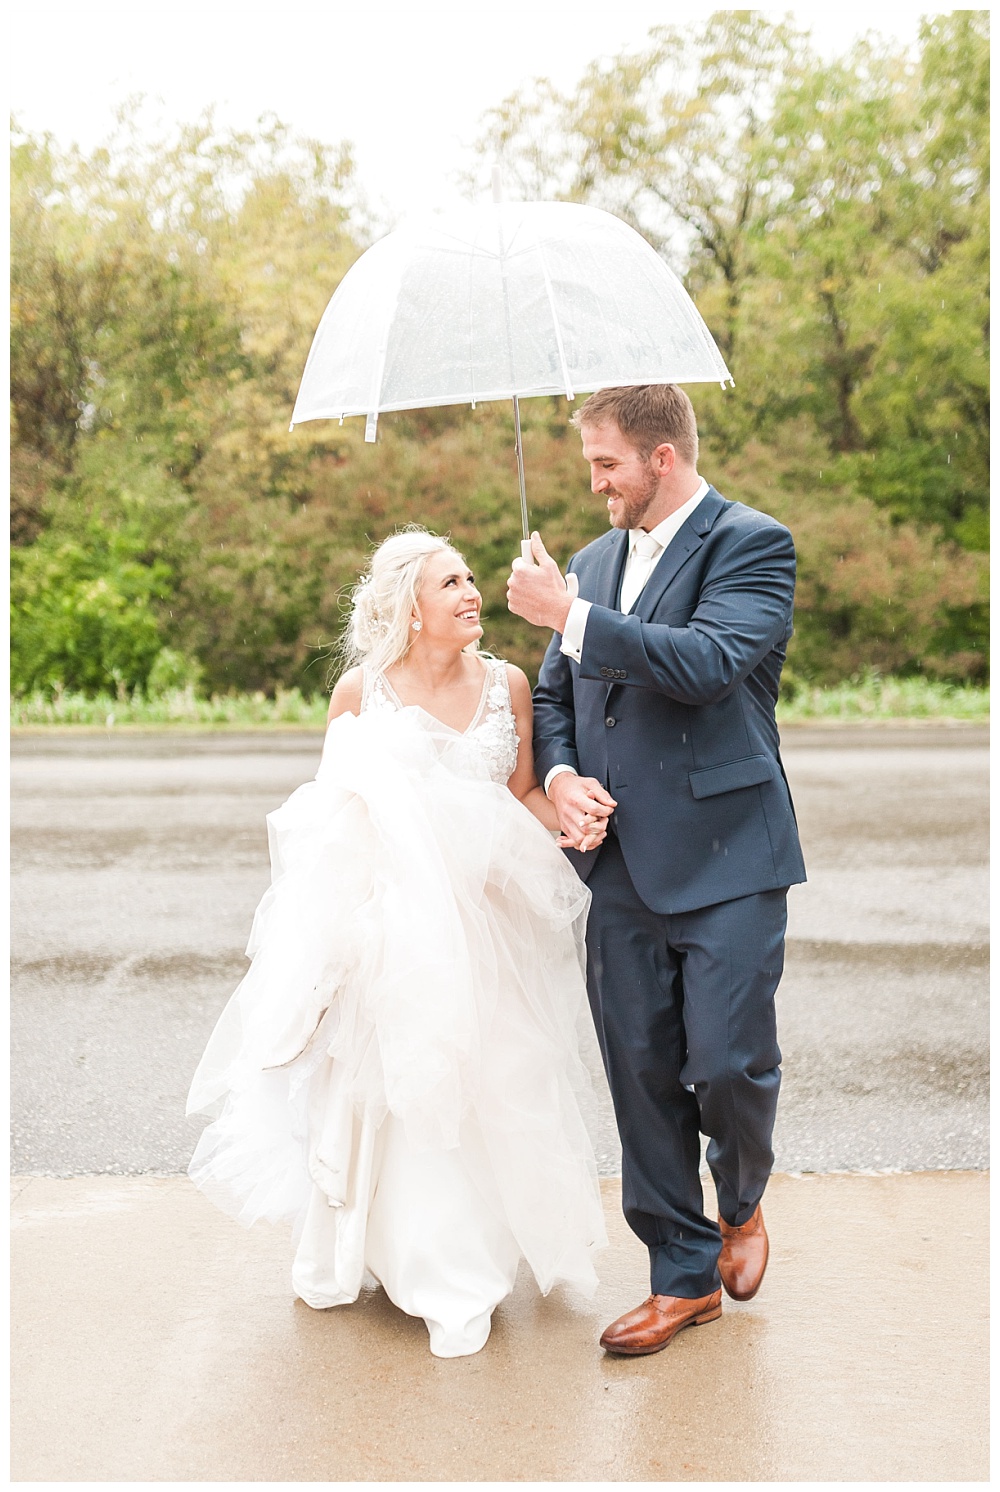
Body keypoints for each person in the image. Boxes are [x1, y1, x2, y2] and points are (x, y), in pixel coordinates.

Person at [187, 528, 607, 1358]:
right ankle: (427, 1264)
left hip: (491, 923)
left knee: (504, 1076)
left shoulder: (509, 685)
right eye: (451, 584)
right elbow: (329, 821)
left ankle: (478, 1252)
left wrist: (570, 818)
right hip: (397, 934)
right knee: (406, 1089)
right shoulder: (361, 693)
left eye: (472, 580)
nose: (472, 594)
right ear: (411, 609)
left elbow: (520, 791)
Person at [507, 383, 806, 1356]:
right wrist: (558, 776)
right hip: (619, 864)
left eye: (607, 465)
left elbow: (707, 660)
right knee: (639, 1073)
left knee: (723, 1062)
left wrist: (571, 617)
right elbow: (555, 696)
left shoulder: (752, 543)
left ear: (661, 460)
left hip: (730, 856)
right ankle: (680, 1279)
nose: (594, 484)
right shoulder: (591, 560)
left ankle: (743, 1197)